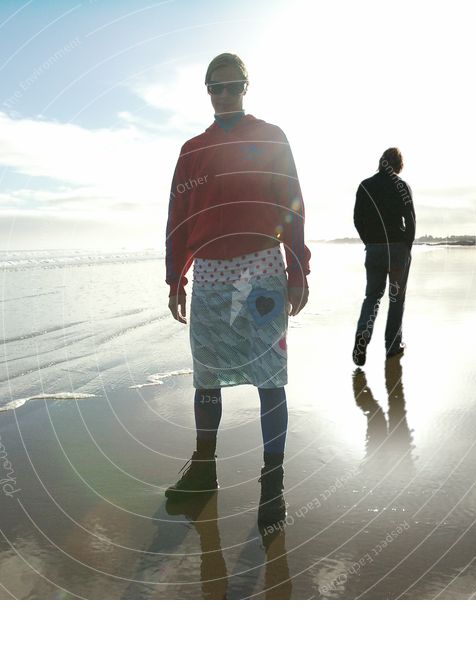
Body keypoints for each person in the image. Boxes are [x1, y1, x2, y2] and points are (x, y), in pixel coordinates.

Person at [164, 53, 310, 526]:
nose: (224, 95)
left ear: (246, 87)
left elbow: (292, 203)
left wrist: (298, 268)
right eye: (215, 87)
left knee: (271, 379)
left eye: (232, 86)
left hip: (262, 271)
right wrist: (174, 277)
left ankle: (273, 485)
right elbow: (178, 218)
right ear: (206, 91)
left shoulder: (271, 137)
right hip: (208, 276)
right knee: (206, 379)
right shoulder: (191, 150)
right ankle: (204, 470)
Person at [352, 147, 416, 365]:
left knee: (372, 297)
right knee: (396, 300)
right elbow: (411, 220)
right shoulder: (402, 186)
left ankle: (362, 338)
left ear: (381, 162)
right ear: (398, 165)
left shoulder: (365, 185)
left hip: (375, 249)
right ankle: (392, 346)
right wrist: (407, 245)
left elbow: (357, 219)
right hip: (397, 249)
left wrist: (368, 241)